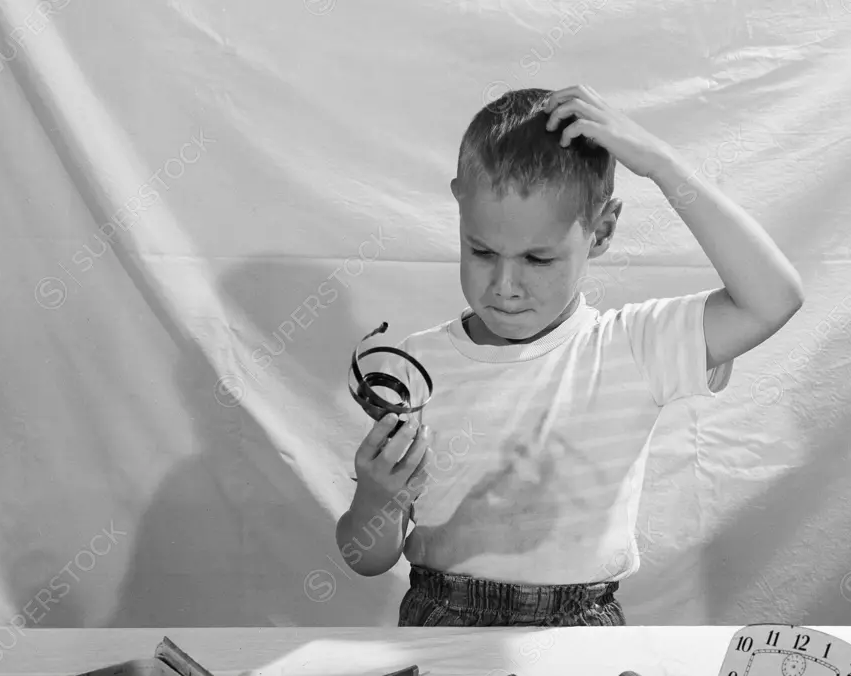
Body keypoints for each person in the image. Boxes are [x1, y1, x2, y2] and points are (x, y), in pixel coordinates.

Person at [335, 85, 804, 627]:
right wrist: (376, 500)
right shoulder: (416, 366)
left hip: (578, 627)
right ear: (459, 208)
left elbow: (773, 298)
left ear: (601, 231)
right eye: (481, 251)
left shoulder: (632, 347)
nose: (504, 287)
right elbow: (365, 559)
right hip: (440, 622)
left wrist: (661, 163)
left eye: (538, 259)